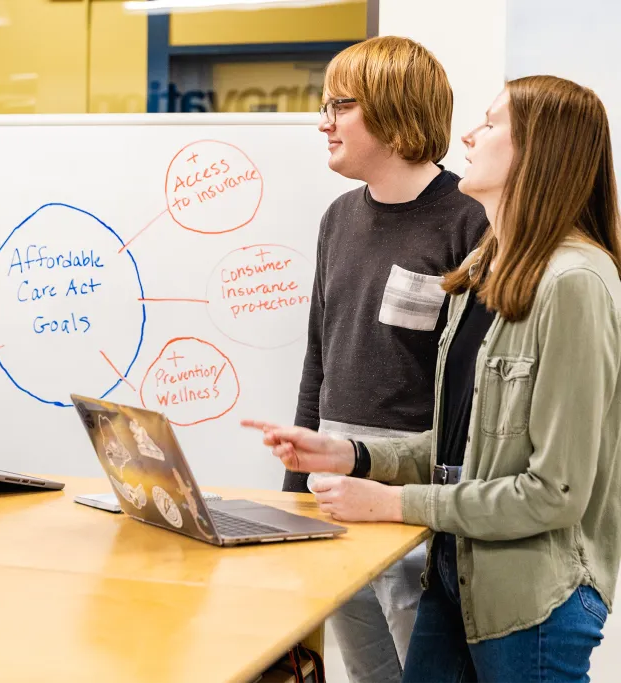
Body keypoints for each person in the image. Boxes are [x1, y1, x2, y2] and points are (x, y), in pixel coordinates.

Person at [246, 74, 621, 683]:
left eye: (492, 124)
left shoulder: (575, 282)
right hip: (456, 574)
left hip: (532, 601)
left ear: (540, 151)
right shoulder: (487, 267)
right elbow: (461, 448)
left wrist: (393, 503)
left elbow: (555, 491)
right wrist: (352, 453)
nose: (469, 135)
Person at [282, 36, 488, 683]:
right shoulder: (337, 218)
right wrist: (294, 501)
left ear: (395, 112)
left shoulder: (472, 221)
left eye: (339, 105)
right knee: (367, 672)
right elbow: (318, 357)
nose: (324, 122)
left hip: (415, 494)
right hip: (332, 483)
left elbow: (478, 390)